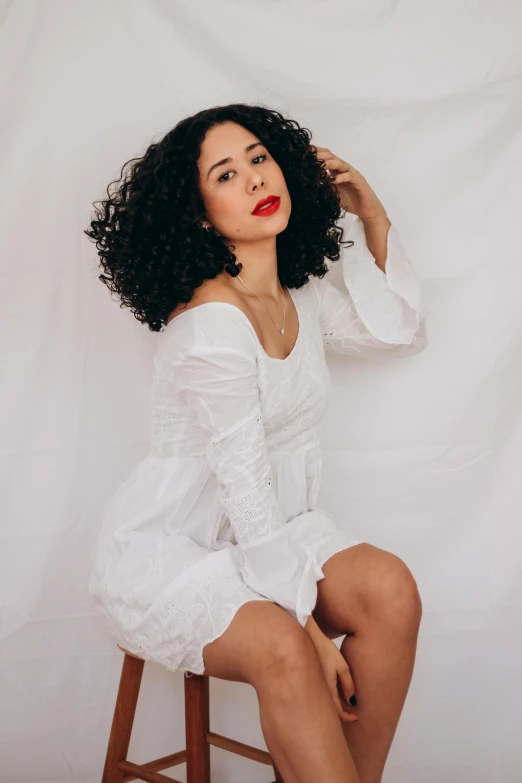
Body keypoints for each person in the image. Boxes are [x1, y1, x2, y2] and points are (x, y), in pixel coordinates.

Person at [85, 103, 428, 783]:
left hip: (275, 531)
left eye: (260, 158)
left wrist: (375, 217)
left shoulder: (297, 293)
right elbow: (242, 493)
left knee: (391, 590)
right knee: (282, 647)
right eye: (225, 172)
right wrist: (305, 629)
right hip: (179, 550)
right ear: (199, 212)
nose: (253, 178)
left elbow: (397, 332)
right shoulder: (211, 325)